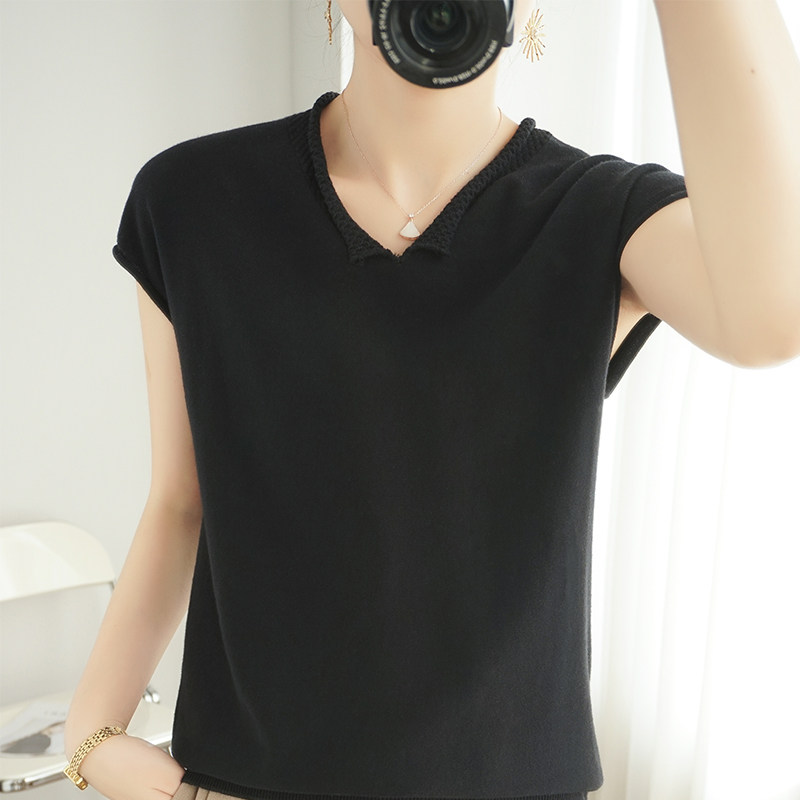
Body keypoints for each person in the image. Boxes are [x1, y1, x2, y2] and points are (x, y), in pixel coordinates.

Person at [63, 1, 800, 799]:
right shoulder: (194, 200)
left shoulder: (600, 213)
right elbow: (180, 500)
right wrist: (95, 734)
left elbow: (773, 313)